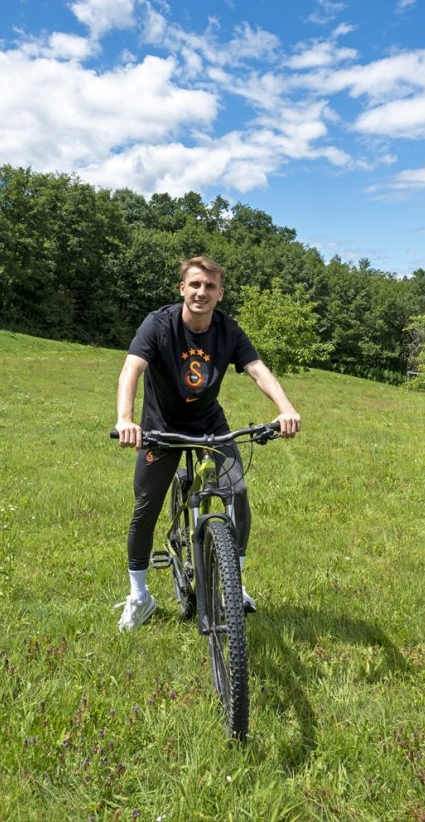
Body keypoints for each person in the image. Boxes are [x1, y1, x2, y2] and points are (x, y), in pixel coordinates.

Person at [114, 256, 301, 632]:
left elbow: (256, 369)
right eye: (195, 284)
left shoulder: (228, 330)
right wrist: (125, 419)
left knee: (238, 492)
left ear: (220, 294)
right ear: (182, 288)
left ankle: (235, 584)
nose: (202, 292)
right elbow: (132, 366)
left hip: (208, 425)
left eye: (210, 286)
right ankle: (140, 596)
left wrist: (285, 408)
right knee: (145, 508)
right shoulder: (158, 324)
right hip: (161, 426)